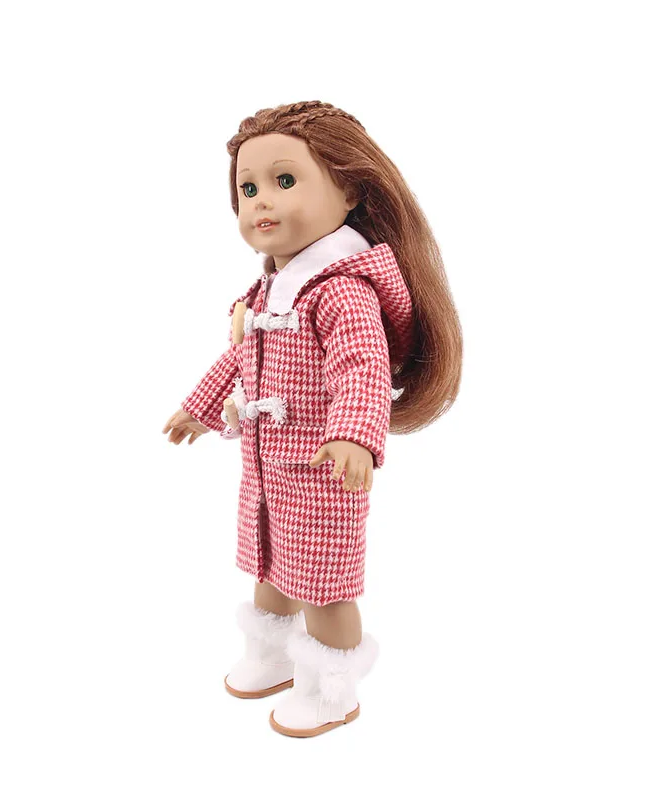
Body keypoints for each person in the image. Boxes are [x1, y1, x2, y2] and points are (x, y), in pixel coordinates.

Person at [162, 101, 462, 737]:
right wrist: (199, 407)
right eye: (248, 189)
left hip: (326, 470)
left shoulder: (342, 290)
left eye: (285, 180)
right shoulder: (270, 289)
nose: (261, 202)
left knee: (324, 583)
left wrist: (355, 437)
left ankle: (331, 687)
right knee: (270, 568)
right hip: (268, 467)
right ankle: (271, 655)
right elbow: (239, 357)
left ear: (348, 191)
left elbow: (361, 367)